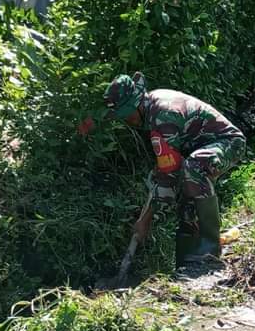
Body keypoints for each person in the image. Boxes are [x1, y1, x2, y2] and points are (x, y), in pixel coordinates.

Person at [98, 72, 246, 267]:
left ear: (137, 105)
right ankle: (187, 260)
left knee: (192, 169)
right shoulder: (150, 107)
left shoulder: (163, 116)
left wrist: (145, 221)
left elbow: (169, 174)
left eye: (127, 115)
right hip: (200, 150)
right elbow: (166, 168)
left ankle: (210, 247)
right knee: (187, 187)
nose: (128, 121)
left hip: (228, 144)